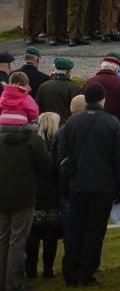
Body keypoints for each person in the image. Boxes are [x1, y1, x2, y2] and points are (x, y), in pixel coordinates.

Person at [58, 83, 120, 288]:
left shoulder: (71, 122)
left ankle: (70, 272)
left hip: (77, 184)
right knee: (95, 231)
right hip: (103, 185)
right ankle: (86, 273)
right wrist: (119, 187)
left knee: (75, 228)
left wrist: (66, 180)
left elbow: (62, 154)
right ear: (102, 99)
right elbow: (118, 160)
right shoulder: (112, 123)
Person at [0, 106, 52, 291]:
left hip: (4, 194)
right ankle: (13, 283)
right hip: (24, 194)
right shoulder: (33, 140)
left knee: (4, 239)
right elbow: (46, 166)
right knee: (17, 240)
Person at [23, 112, 60, 279]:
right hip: (52, 195)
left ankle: (30, 269)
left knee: (32, 234)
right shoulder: (57, 143)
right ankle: (48, 269)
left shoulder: (32, 143)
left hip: (34, 193)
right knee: (50, 234)